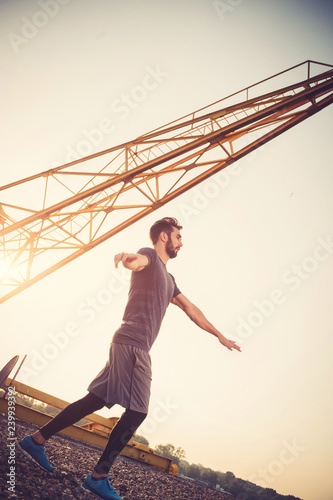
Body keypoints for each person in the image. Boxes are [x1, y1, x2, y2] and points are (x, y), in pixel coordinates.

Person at [17, 217, 241, 500]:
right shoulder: (148, 257)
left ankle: (35, 441)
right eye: (178, 237)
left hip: (127, 344)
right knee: (138, 411)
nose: (181, 243)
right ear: (163, 237)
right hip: (133, 345)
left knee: (94, 401)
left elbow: (191, 308)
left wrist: (219, 335)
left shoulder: (170, 281)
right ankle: (98, 477)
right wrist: (125, 259)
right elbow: (136, 262)